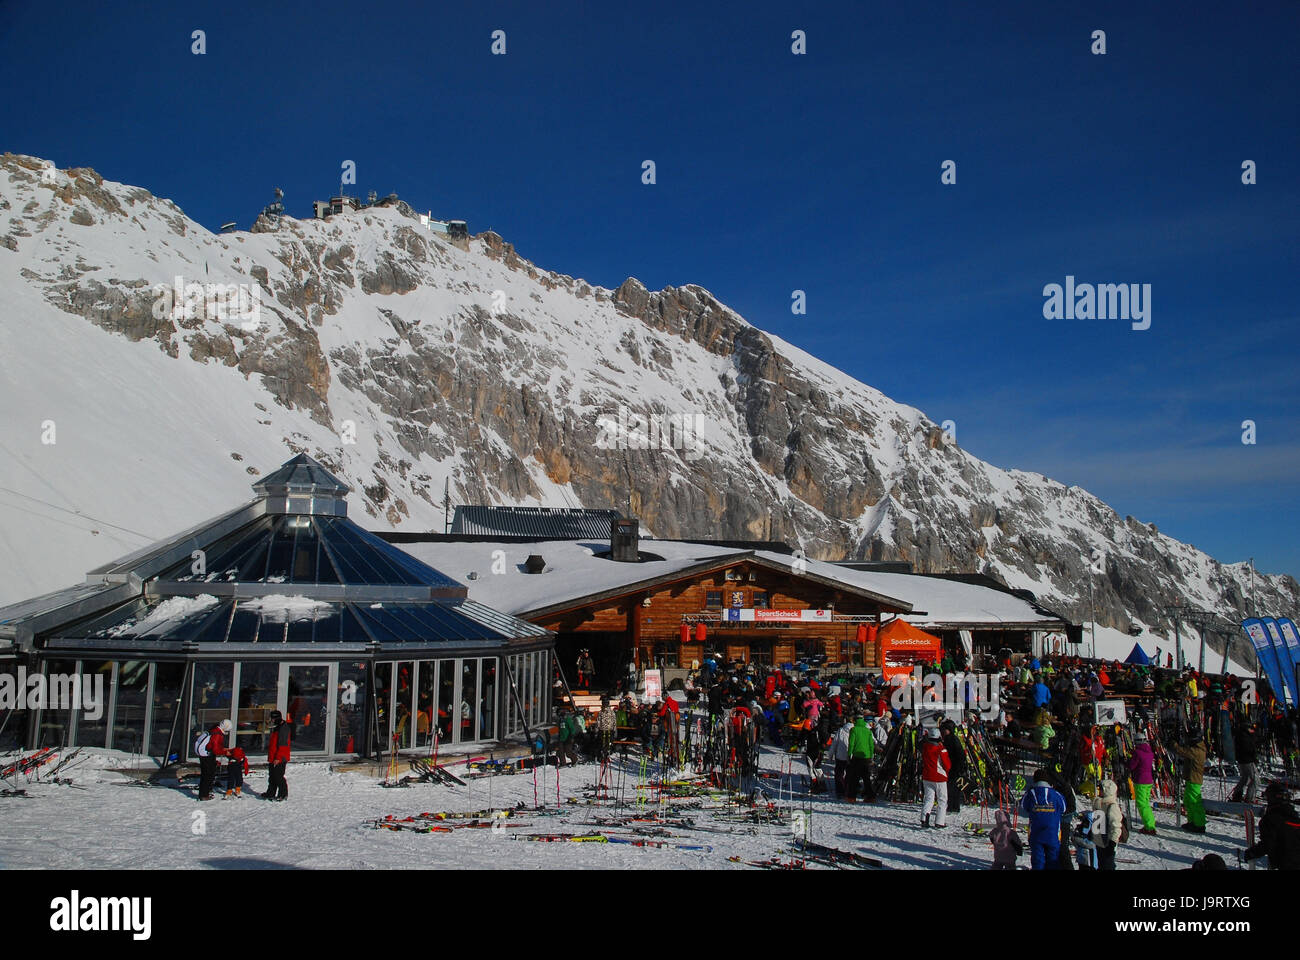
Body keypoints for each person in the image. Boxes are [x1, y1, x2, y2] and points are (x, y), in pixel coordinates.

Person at [1242, 782, 1300, 870]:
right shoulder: (1294, 816)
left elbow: (1268, 844)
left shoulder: (1270, 819)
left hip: (1286, 863)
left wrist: (1252, 853)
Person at [1020, 772, 1068, 870]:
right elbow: (1064, 808)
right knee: (1053, 859)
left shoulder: (1031, 793)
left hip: (1036, 833)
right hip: (1053, 833)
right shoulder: (1056, 794)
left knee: (1038, 860)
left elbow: (1023, 806)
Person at [1170, 733, 1207, 834]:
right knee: (1188, 801)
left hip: (1195, 780)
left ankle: (1199, 824)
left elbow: (1184, 751)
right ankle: (1192, 821)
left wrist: (1174, 745)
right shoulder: (1197, 748)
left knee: (1195, 802)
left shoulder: (1198, 751)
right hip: (1191, 779)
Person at [919, 728, 951, 828]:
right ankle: (940, 822)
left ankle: (924, 818)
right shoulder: (941, 749)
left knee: (928, 799)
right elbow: (947, 765)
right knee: (942, 799)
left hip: (927, 776)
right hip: (939, 777)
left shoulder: (925, 747)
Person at [1128, 731, 1157, 835]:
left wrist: (1128, 760)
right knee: (1145, 802)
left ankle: (1149, 826)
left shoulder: (1137, 753)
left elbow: (1132, 765)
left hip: (1140, 780)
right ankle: (1150, 823)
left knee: (1142, 804)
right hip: (1148, 780)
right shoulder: (1149, 752)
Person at [1092, 778, 1124, 870]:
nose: (1099, 791)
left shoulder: (1112, 806)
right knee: (1100, 865)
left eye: (1101, 789)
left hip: (1108, 842)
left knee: (1108, 865)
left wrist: (1113, 842)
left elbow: (1116, 826)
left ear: (1107, 791)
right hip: (1098, 841)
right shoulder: (1098, 802)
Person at [195, 718, 231, 801]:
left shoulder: (215, 729)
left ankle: (205, 792)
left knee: (208, 773)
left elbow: (214, 745)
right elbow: (215, 749)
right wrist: (225, 752)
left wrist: (223, 749)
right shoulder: (217, 734)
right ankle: (204, 795)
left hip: (205, 752)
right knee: (207, 774)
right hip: (206, 754)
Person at [845, 714, 877, 802]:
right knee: (866, 778)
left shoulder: (854, 730)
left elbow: (851, 743)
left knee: (854, 778)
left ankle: (851, 797)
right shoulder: (868, 731)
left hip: (857, 757)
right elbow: (871, 745)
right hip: (866, 756)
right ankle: (871, 797)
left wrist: (849, 754)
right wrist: (871, 756)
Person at [941, 720, 967, 815]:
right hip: (952, 765)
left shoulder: (952, 739)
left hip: (955, 766)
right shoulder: (948, 738)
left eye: (946, 729)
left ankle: (953, 806)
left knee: (953, 787)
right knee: (952, 787)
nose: (944, 731)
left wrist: (960, 767)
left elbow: (960, 754)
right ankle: (953, 806)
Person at [264, 710, 291, 801]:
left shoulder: (283, 728)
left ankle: (283, 794)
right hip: (273, 756)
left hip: (280, 757)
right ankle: (270, 793)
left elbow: (283, 745)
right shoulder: (277, 727)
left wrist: (278, 758)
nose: (271, 720)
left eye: (272, 718)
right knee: (272, 776)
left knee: (278, 776)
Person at [1232, 722, 1259, 804]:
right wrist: (1254, 757)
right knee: (1255, 780)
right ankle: (1249, 798)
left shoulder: (1241, 735)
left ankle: (1237, 794)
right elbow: (1249, 748)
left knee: (1245, 778)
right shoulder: (1244, 736)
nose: (1252, 730)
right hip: (1248, 760)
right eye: (1251, 729)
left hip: (1242, 760)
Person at [833, 716, 853, 798]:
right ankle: (847, 789)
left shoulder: (841, 730)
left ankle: (840, 790)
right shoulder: (855, 730)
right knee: (849, 773)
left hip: (840, 756)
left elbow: (834, 743)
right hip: (850, 756)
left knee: (839, 773)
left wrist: (830, 755)